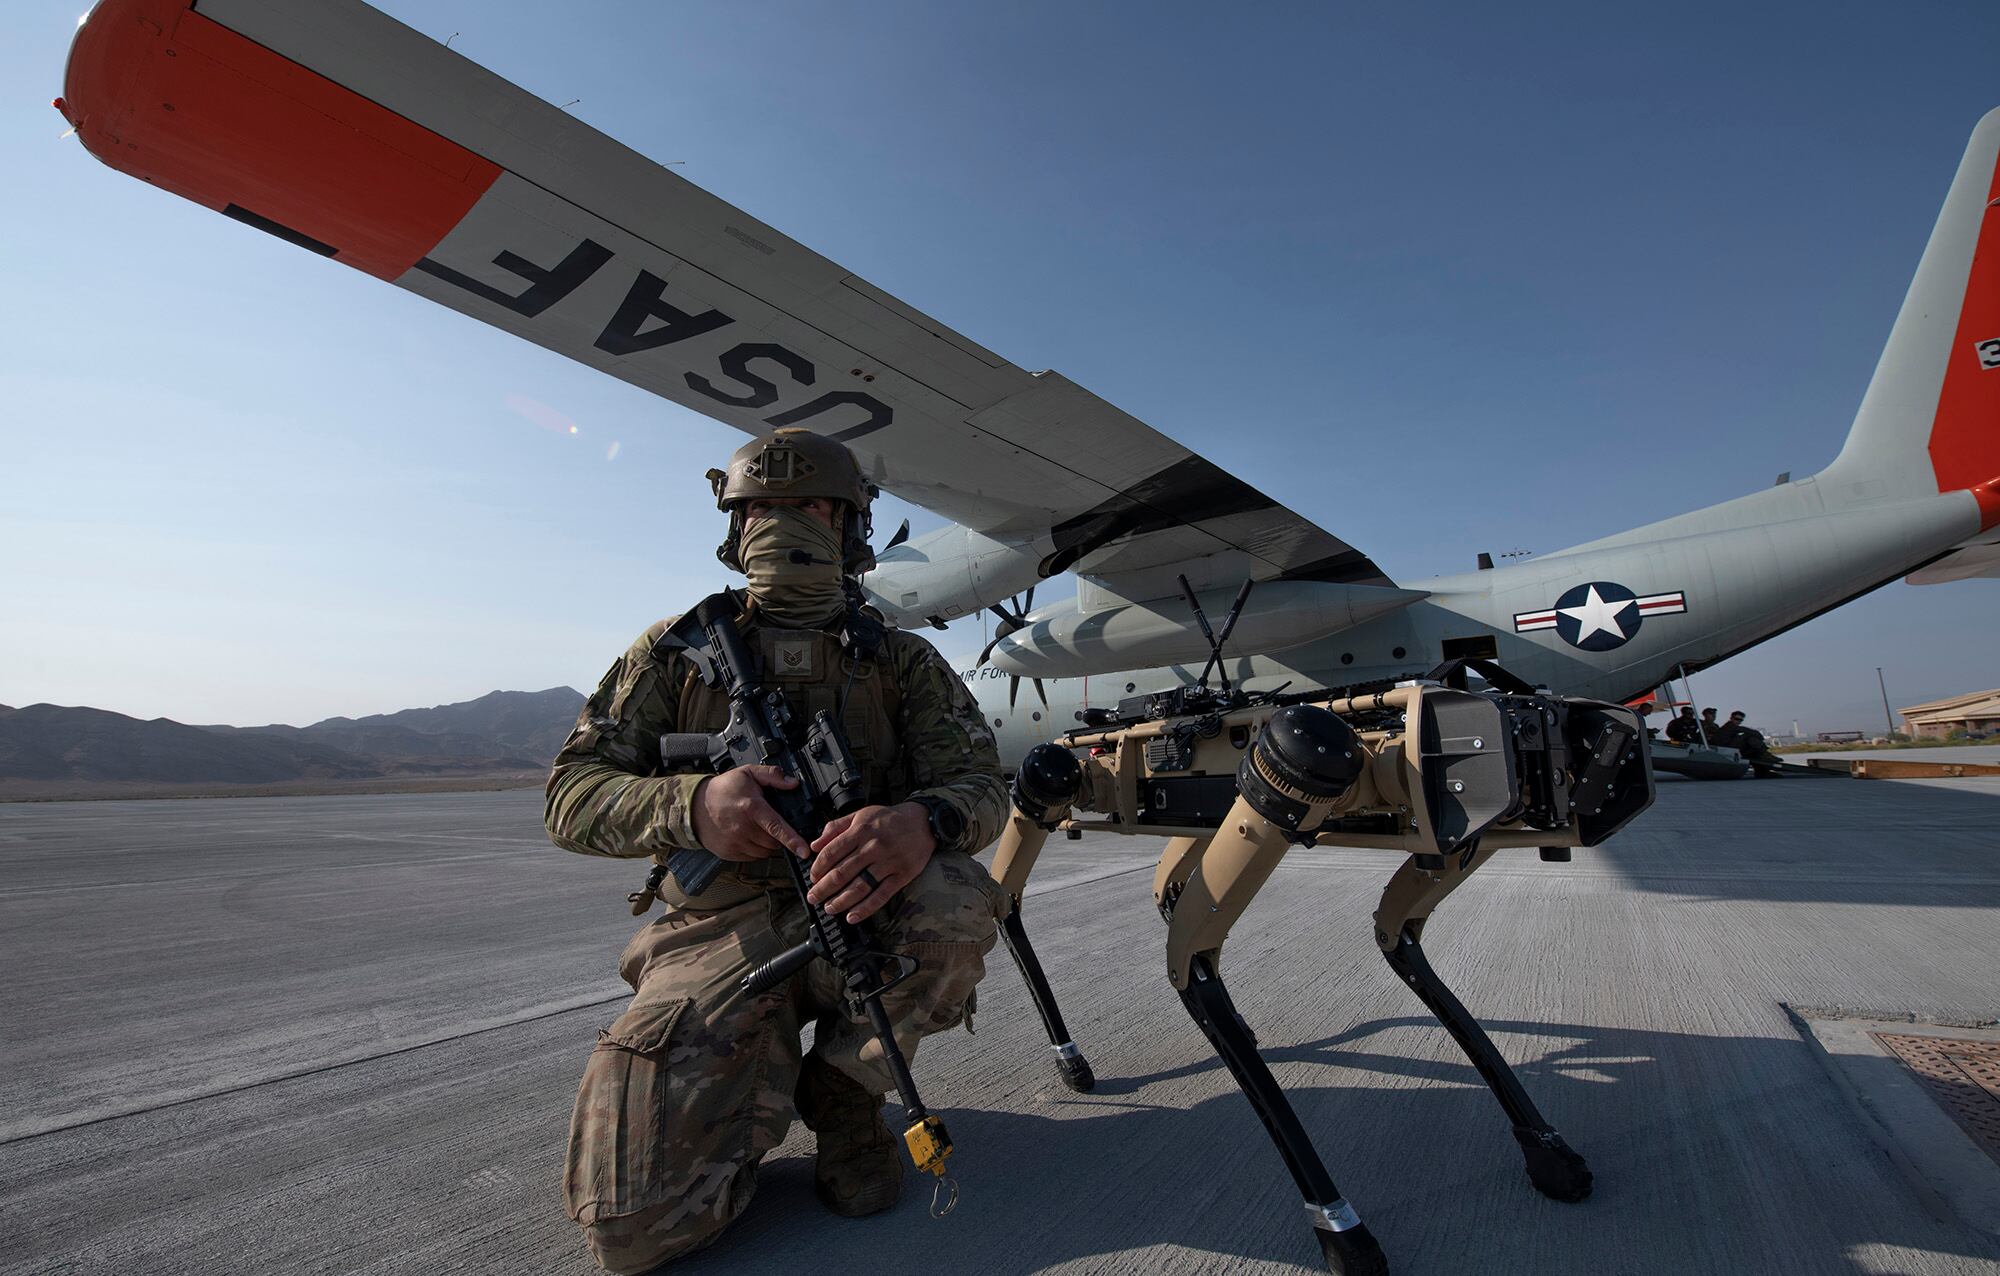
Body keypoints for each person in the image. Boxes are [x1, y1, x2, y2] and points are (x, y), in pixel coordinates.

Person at [545, 429, 1009, 1274]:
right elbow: (570, 796)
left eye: (811, 505)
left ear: (849, 527)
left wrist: (922, 822)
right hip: (718, 925)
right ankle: (746, 1086)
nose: (785, 524)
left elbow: (983, 786)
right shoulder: (676, 652)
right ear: (735, 525)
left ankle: (843, 1092)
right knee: (633, 1231)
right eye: (763, 506)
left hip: (859, 905)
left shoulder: (901, 662)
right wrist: (691, 805)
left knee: (956, 898)